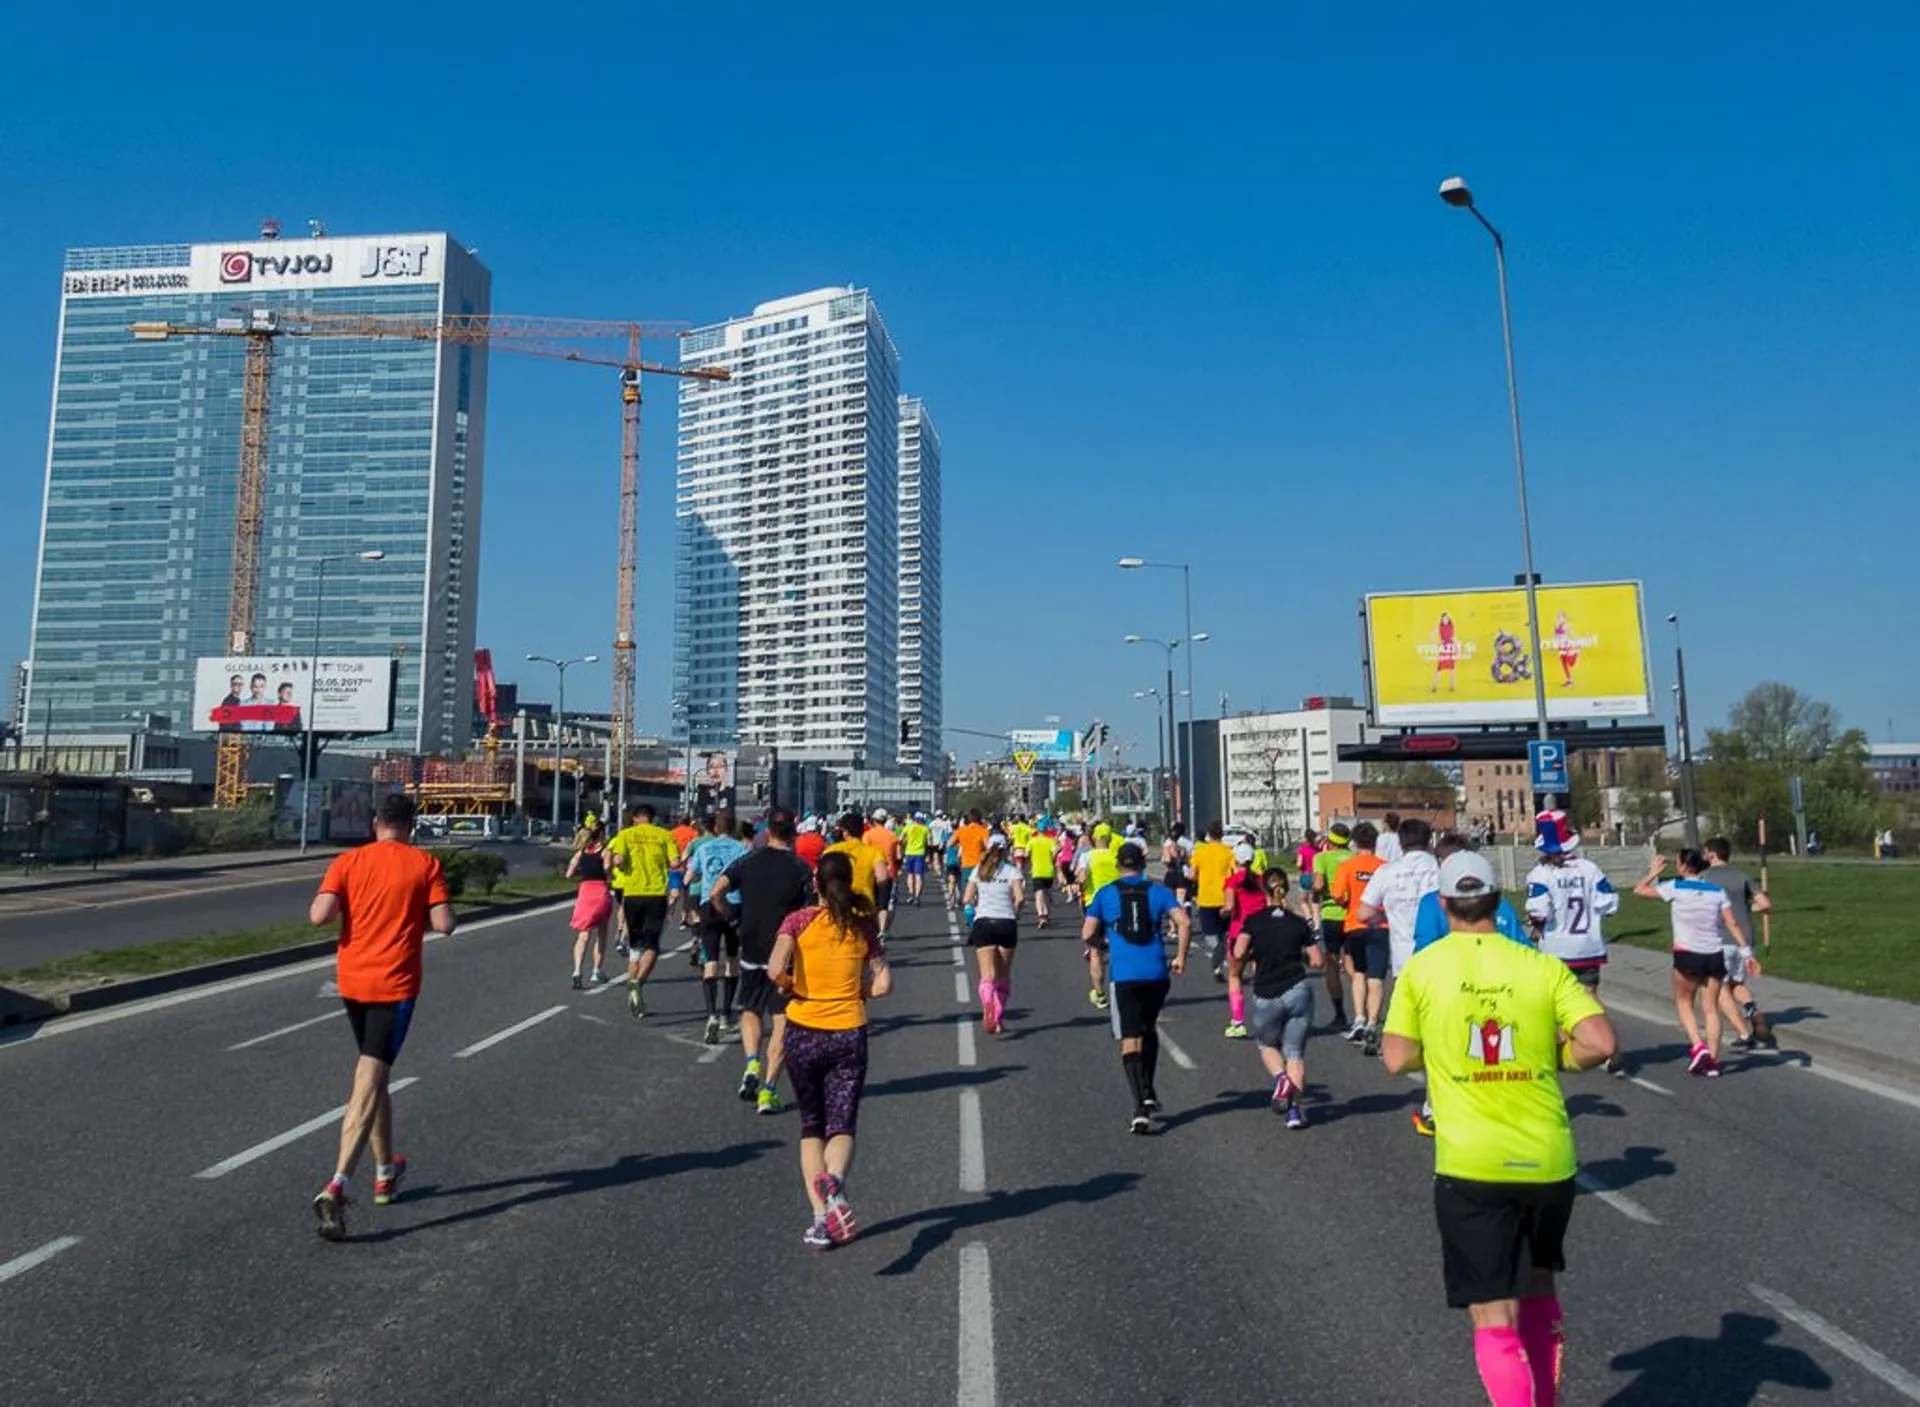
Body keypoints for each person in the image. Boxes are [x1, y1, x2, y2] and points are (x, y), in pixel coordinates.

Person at [1381, 850, 1617, 1407]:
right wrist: (1558, 1058)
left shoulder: (1424, 968)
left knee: (1492, 1314)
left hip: (1470, 1164)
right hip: (1548, 1159)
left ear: (1443, 905)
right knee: (1538, 1291)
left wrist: (1438, 1055)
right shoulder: (1538, 964)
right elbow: (1600, 1043)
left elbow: (1396, 1056)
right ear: (1497, 902)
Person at [307, 793, 455, 1240]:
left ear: (376, 823)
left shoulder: (347, 862)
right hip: (395, 987)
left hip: (352, 983)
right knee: (368, 1078)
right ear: (411, 825)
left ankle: (385, 1172)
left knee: (378, 1077)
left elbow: (319, 916)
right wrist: (420, 916)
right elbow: (445, 923)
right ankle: (337, 1185)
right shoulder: (424, 865)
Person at [769, 849, 891, 1248]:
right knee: (842, 1121)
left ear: (815, 885)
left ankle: (821, 1219)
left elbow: (774, 970)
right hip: (848, 1031)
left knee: (811, 1125)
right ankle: (835, 1180)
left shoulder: (797, 921)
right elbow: (884, 983)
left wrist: (792, 987)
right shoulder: (862, 926)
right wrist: (860, 992)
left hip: (803, 1027)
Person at [709, 808, 815, 1115]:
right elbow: (811, 910)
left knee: (751, 1008)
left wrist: (732, 919)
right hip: (785, 951)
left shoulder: (747, 860)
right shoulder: (800, 868)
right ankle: (768, 1090)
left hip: (751, 945)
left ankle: (752, 1062)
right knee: (782, 1021)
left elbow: (717, 891)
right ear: (793, 833)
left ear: (768, 831)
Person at [1082, 842, 1191, 1134]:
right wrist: (1180, 956)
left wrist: (1105, 946)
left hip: (1125, 974)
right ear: (1143, 865)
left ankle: (1140, 1105)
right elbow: (1184, 922)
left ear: (1118, 865)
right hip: (1156, 971)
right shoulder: (1158, 891)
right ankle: (1149, 1087)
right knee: (1149, 1027)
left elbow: (1087, 933)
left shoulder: (1106, 894)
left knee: (1129, 1038)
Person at [1524, 818, 1625, 1076]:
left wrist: (1535, 922)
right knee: (1590, 997)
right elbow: (1610, 904)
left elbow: (1539, 910)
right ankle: (1611, 1049)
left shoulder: (1541, 874)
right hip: (1589, 945)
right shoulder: (1590, 868)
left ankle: (1569, 1049)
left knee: (1556, 1003)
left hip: (1557, 948)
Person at [1634, 849, 1747, 1077]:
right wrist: (1746, 951)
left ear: (1684, 866)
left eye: (1678, 863)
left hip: (1687, 953)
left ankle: (1698, 1046)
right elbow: (1732, 922)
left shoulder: (1676, 886)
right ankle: (1713, 1061)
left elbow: (1638, 890)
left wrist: (1653, 872)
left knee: (1684, 1001)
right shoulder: (1717, 891)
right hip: (1714, 953)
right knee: (1711, 1008)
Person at [1233, 868, 1323, 1129]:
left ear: (1264, 890)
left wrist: (1253, 952)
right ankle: (1294, 1112)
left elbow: (1239, 952)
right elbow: (1317, 960)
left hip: (1267, 991)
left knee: (1267, 1044)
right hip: (1297, 988)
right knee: (1295, 1052)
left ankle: (1280, 1078)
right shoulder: (1297, 922)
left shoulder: (1254, 920)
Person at [1353, 816, 1440, 1054]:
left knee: (1407, 1006)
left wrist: (1383, 917)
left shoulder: (1387, 871)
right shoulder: (1439, 868)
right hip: (1440, 952)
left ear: (1401, 844)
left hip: (1404, 952)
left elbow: (1363, 912)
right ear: (1429, 840)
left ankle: (1398, 1046)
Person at [1701, 838, 1776, 1050]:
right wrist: (1746, 910)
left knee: (1720, 988)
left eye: (1705, 853)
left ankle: (1743, 1034)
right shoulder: (1742, 876)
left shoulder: (1705, 878)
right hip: (1744, 939)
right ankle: (1755, 1014)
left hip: (1720, 938)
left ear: (1712, 855)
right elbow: (1765, 904)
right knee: (1737, 985)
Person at [609, 803, 677, 1019]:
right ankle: (638, 983)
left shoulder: (625, 835)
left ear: (636, 818)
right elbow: (675, 862)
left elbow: (618, 860)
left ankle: (632, 990)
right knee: (652, 945)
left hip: (632, 894)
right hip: (656, 894)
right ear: (652, 818)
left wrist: (617, 865)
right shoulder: (665, 835)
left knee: (635, 946)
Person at [692, 813, 750, 1044]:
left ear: (715, 828)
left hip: (709, 904)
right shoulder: (741, 849)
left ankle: (711, 1015)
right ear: (733, 828)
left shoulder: (704, 848)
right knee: (733, 958)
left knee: (711, 960)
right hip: (734, 905)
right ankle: (726, 1013)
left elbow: (690, 876)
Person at [1331, 821, 1389, 1048]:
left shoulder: (1347, 866)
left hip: (1355, 925)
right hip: (1380, 926)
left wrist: (1349, 902)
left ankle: (1359, 1019)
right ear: (1375, 843)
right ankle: (1374, 1022)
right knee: (1376, 977)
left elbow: (1337, 895)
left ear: (1354, 843)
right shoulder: (1385, 867)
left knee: (1358, 974)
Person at [966, 835, 1026, 1034]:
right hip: (1006, 922)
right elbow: (1019, 898)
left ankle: (987, 1005)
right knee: (1003, 975)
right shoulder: (1012, 871)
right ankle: (998, 1016)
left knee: (987, 975)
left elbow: (966, 898)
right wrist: (1016, 913)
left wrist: (978, 906)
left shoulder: (979, 870)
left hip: (983, 922)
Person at [1220, 842, 1267, 1039]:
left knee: (1235, 976)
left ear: (1235, 860)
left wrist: (1222, 912)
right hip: (1262, 932)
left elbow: (1230, 908)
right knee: (1261, 977)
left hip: (1239, 932)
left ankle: (1238, 1021)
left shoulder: (1232, 882)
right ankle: (1266, 1019)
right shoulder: (1261, 880)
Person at [1310, 823, 1354, 1028]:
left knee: (1333, 964)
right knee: (1354, 966)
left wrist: (1316, 894)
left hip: (1331, 914)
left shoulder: (1322, 858)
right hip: (1354, 916)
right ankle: (1362, 1013)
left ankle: (1340, 1014)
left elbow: (1318, 885)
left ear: (1330, 840)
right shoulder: (1355, 858)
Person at [565, 820, 614, 989]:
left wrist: (583, 871)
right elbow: (607, 868)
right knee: (602, 933)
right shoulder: (605, 851)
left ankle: (577, 970)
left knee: (583, 935)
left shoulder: (581, 852)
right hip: (600, 891)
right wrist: (611, 875)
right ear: (602, 833)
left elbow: (569, 874)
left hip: (584, 893)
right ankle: (596, 971)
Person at [1078, 833, 1122, 1009]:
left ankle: (1099, 993)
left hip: (1094, 904)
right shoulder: (1116, 856)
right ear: (1110, 841)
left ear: (1094, 839)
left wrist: (1082, 885)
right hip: (1117, 904)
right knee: (1121, 947)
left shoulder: (1087, 856)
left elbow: (1081, 878)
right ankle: (1121, 989)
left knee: (1095, 951)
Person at [1188, 821, 1236, 981]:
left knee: (1210, 936)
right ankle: (1220, 961)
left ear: (1208, 834)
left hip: (1206, 899)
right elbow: (1234, 873)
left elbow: (1191, 874)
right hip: (1225, 898)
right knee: (1225, 933)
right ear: (1222, 834)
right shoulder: (1229, 852)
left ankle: (1217, 961)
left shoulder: (1200, 852)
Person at [863, 810, 903, 940]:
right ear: (885, 821)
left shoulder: (868, 835)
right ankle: (882, 930)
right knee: (884, 903)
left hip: (872, 872)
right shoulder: (892, 836)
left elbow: (864, 854)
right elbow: (899, 856)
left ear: (873, 820)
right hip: (889, 872)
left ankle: (873, 929)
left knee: (872, 903)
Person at [952, 811, 991, 920]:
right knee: (980, 890)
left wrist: (960, 844)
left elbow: (949, 843)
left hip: (966, 864)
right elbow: (988, 847)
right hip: (980, 864)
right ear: (979, 819)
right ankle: (978, 914)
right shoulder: (983, 831)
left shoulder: (961, 831)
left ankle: (969, 911)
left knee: (967, 890)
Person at [669, 814, 699, 929]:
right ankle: (683, 919)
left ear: (678, 822)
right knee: (686, 895)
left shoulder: (671, 833)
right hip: (688, 868)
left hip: (674, 867)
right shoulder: (693, 833)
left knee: (675, 890)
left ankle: (672, 900)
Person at [1027, 822, 1059, 928]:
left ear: (1037, 830)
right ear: (1045, 830)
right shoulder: (1050, 841)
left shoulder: (1032, 841)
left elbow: (1026, 854)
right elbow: (1055, 854)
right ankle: (1046, 914)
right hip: (1049, 871)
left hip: (1037, 871)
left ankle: (1041, 915)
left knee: (1038, 894)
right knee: (1046, 893)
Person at [900, 812, 932, 906]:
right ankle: (917, 897)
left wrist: (904, 844)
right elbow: (930, 843)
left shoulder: (908, 827)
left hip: (909, 853)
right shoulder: (925, 829)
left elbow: (901, 838)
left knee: (910, 874)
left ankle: (911, 893)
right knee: (919, 876)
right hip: (920, 853)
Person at [1160, 822, 1191, 909]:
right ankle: (1185, 912)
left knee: (1170, 902)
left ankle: (1172, 919)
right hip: (1182, 874)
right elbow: (1189, 860)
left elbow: (1166, 860)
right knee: (1181, 901)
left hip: (1170, 874)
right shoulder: (1186, 845)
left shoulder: (1167, 844)